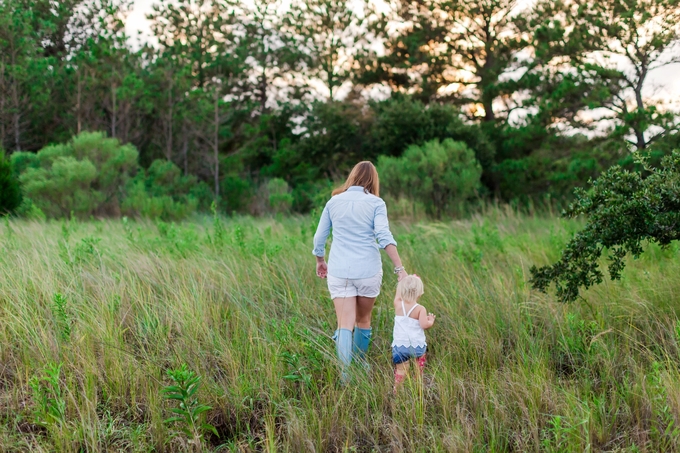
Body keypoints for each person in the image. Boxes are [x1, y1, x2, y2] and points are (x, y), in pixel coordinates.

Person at [312, 161, 407, 382]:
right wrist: (399, 268)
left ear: (352, 177)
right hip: (368, 271)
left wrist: (320, 260)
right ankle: (359, 363)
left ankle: (345, 375)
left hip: (340, 270)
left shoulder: (334, 201)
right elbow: (384, 236)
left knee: (344, 324)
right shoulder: (376, 203)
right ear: (373, 180)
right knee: (363, 320)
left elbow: (319, 237)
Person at [391, 274, 435, 392]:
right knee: (418, 363)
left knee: (401, 370)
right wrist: (430, 320)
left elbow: (397, 296)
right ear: (420, 293)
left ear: (401, 290)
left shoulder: (398, 304)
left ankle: (396, 392)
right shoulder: (420, 308)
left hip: (399, 346)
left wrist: (401, 282)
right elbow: (424, 325)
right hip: (417, 346)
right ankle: (418, 381)